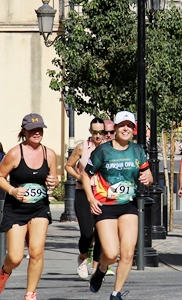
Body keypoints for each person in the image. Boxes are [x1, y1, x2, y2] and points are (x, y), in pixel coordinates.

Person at [82, 111, 153, 300]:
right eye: (122, 125)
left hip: (128, 206)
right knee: (112, 253)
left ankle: (116, 293)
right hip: (105, 206)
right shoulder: (103, 151)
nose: (126, 129)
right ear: (115, 128)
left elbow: (148, 173)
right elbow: (86, 174)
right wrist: (91, 198)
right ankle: (101, 269)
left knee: (128, 253)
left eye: (130, 126)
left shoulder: (137, 150)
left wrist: (148, 178)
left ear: (133, 129)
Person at [0, 114, 58, 300]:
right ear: (24, 131)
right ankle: (5, 271)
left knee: (36, 252)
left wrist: (55, 182)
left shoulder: (49, 153)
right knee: (15, 257)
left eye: (40, 129)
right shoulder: (14, 153)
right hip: (16, 209)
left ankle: (30, 293)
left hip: (39, 208)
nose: (37, 133)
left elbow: (54, 179)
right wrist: (12, 191)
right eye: (32, 130)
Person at [65, 117, 106, 279]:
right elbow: (68, 166)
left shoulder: (108, 149)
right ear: (90, 132)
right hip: (83, 193)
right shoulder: (82, 148)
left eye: (101, 132)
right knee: (88, 233)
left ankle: (96, 267)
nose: (98, 135)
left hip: (102, 194)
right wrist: (79, 177)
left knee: (102, 233)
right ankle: (82, 257)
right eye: (95, 132)